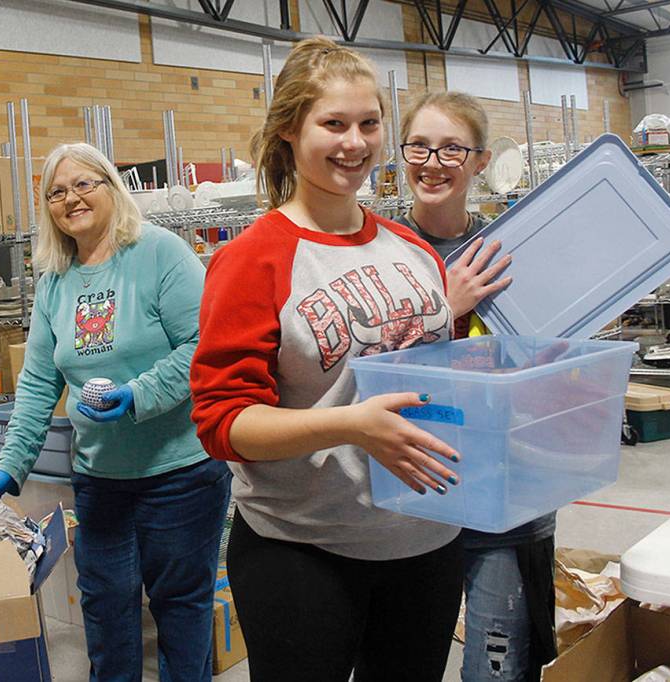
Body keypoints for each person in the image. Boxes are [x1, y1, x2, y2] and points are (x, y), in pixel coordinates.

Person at [190, 37, 465, 682]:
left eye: (369, 123)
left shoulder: (412, 250)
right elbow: (222, 423)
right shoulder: (254, 259)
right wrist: (348, 425)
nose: (355, 142)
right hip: (305, 551)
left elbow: (437, 376)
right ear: (290, 128)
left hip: (427, 536)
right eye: (333, 124)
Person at [0, 142, 231, 682]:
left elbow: (203, 346)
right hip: (100, 482)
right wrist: (11, 465)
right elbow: (38, 381)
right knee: (107, 618)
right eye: (56, 192)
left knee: (181, 617)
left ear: (111, 188)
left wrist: (138, 395)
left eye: (83, 184)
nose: (71, 198)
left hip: (181, 475)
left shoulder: (161, 253)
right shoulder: (54, 280)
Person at [395, 91, 557, 682]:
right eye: (420, 146)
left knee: (496, 668)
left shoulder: (506, 256)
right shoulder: (380, 256)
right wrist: (448, 308)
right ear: (402, 154)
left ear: (481, 161)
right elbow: (361, 372)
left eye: (452, 148)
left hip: (501, 499)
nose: (433, 162)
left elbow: (545, 365)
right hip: (410, 496)